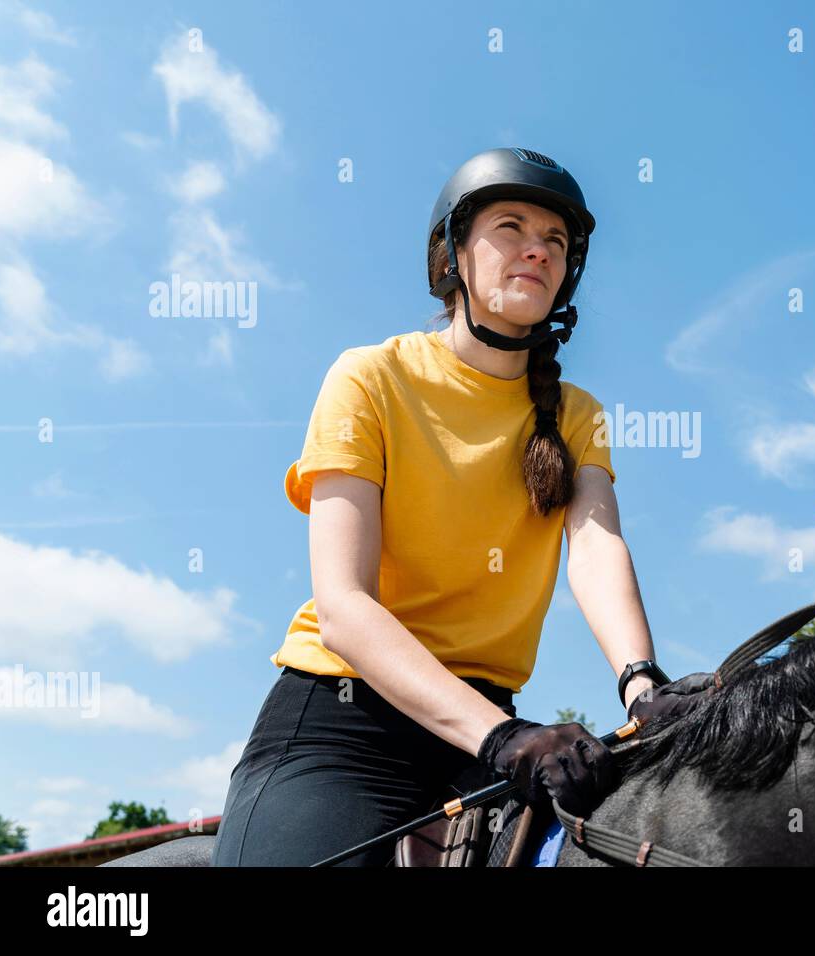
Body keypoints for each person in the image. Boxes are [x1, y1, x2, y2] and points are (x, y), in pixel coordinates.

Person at [211, 147, 715, 867]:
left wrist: (642, 683)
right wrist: (501, 737)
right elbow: (344, 606)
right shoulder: (370, 376)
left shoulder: (579, 415)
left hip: (486, 730)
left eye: (557, 241)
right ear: (451, 254)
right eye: (511, 228)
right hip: (343, 721)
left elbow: (596, 547)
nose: (538, 250)